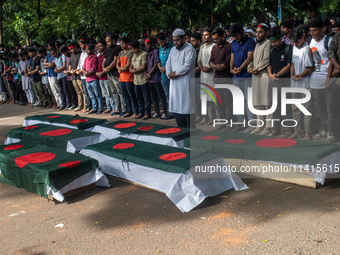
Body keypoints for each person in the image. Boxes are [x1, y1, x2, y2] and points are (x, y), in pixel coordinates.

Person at [308, 18, 335, 142]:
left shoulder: (328, 41)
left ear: (321, 29)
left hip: (326, 78)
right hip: (315, 79)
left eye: (315, 30)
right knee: (320, 107)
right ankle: (323, 129)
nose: (312, 33)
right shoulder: (310, 42)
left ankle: (331, 131)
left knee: (330, 107)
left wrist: (328, 78)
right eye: (311, 31)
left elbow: (331, 61)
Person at [166, 29, 196, 128]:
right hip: (174, 85)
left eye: (177, 40)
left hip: (186, 83)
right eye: (174, 40)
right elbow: (168, 63)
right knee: (177, 110)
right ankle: (181, 134)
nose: (175, 42)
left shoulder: (190, 49)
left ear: (183, 38)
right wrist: (169, 73)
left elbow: (187, 66)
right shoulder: (173, 50)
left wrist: (174, 74)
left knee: (188, 109)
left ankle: (192, 137)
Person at [267, 27, 294, 137]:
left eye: (275, 41)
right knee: (275, 107)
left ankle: (289, 129)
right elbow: (269, 64)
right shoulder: (272, 50)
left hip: (285, 82)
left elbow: (289, 65)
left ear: (280, 39)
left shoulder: (288, 49)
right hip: (274, 82)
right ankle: (276, 128)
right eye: (271, 42)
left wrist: (278, 75)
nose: (273, 44)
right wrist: (270, 75)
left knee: (287, 107)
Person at [230, 22, 256, 132]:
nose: (236, 38)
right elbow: (232, 57)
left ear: (242, 32)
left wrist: (240, 68)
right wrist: (231, 69)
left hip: (247, 76)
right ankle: (240, 123)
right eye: (234, 36)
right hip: (236, 76)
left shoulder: (250, 42)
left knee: (248, 100)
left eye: (237, 35)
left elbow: (249, 58)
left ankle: (252, 123)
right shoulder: (233, 43)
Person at [289, 28, 314, 141]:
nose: (295, 44)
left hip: (305, 85)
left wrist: (298, 77)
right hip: (294, 84)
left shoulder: (306, 49)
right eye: (293, 42)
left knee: (307, 109)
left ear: (302, 38)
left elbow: (310, 68)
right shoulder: (294, 47)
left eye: (297, 42)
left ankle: (308, 132)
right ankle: (297, 131)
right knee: (295, 109)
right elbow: (292, 63)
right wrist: (292, 75)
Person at [248, 23, 272, 135]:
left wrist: (255, 69)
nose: (257, 34)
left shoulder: (268, 43)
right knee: (257, 101)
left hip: (264, 74)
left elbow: (267, 59)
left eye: (260, 32)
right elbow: (252, 59)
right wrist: (249, 69)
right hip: (255, 75)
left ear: (266, 33)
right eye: (256, 32)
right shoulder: (257, 44)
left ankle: (268, 126)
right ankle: (259, 125)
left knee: (266, 101)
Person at [209, 27, 233, 130]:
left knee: (228, 102)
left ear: (223, 36)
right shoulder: (214, 47)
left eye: (217, 38)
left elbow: (227, 63)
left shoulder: (228, 47)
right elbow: (210, 62)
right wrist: (216, 67)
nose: (215, 40)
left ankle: (232, 123)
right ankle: (222, 121)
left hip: (226, 79)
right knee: (219, 102)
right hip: (217, 79)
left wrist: (217, 67)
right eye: (214, 38)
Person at [145, 38, 168, 119]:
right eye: (146, 45)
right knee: (154, 97)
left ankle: (165, 112)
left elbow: (156, 64)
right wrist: (146, 74)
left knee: (161, 96)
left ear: (152, 44)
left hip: (157, 77)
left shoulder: (155, 52)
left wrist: (149, 73)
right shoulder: (147, 53)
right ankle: (157, 112)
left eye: (148, 44)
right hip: (150, 79)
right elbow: (145, 65)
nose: (147, 46)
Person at [103, 34, 125, 116]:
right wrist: (104, 68)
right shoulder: (107, 50)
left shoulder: (117, 48)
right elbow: (104, 61)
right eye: (106, 42)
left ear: (113, 40)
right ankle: (117, 109)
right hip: (109, 74)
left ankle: (124, 109)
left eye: (108, 41)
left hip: (115, 73)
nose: (107, 43)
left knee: (120, 91)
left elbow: (115, 60)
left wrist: (108, 68)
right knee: (113, 92)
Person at [117, 36, 138, 118]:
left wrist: (120, 69)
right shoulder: (120, 52)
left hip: (129, 78)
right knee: (125, 96)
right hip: (121, 78)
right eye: (121, 43)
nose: (122, 45)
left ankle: (135, 111)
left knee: (132, 95)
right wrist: (119, 68)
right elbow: (117, 63)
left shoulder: (130, 52)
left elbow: (128, 65)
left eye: (123, 43)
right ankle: (128, 111)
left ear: (127, 43)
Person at [197, 27, 215, 125]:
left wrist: (211, 68)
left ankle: (213, 118)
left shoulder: (214, 46)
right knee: (204, 96)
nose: (204, 37)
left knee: (212, 96)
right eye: (203, 35)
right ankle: (206, 117)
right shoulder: (202, 47)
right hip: (203, 74)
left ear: (211, 36)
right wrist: (201, 68)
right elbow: (198, 60)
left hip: (212, 75)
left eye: (206, 35)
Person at [129, 40, 151, 119]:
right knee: (139, 98)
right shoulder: (133, 56)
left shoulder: (144, 54)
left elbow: (143, 66)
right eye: (132, 49)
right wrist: (132, 70)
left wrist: (134, 71)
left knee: (146, 98)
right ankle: (141, 112)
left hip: (143, 80)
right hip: (136, 81)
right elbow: (130, 66)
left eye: (135, 49)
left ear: (138, 47)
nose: (133, 50)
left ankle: (147, 113)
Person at [157, 32, 175, 120]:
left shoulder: (173, 47)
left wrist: (167, 68)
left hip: (172, 75)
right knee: (167, 95)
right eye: (159, 43)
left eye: (162, 42)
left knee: (174, 94)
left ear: (166, 40)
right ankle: (171, 112)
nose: (161, 44)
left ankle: (177, 111)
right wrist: (160, 67)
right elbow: (158, 60)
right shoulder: (160, 49)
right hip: (163, 76)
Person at [82, 44, 103, 114]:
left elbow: (93, 68)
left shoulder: (94, 57)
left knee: (97, 94)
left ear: (92, 50)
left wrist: (87, 73)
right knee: (91, 95)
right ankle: (94, 108)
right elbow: (83, 67)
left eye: (89, 50)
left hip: (93, 78)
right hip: (87, 79)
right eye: (87, 50)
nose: (87, 51)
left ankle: (100, 108)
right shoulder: (86, 58)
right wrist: (84, 71)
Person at [96, 39, 115, 114]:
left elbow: (106, 66)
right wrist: (97, 72)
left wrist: (102, 72)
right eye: (98, 46)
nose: (99, 47)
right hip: (100, 78)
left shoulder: (106, 54)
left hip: (106, 76)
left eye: (101, 46)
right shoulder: (99, 56)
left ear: (104, 46)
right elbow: (97, 66)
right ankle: (109, 107)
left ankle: (113, 107)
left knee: (110, 93)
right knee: (105, 94)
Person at [328, 30, 340, 141]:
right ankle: (337, 134)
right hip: (337, 80)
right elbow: (330, 53)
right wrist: (338, 66)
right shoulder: (336, 37)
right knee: (336, 108)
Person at [68, 42, 85, 111]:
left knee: (83, 91)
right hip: (73, 76)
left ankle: (85, 106)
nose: (71, 51)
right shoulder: (71, 55)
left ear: (75, 47)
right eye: (70, 49)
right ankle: (80, 105)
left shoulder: (80, 54)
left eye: (72, 49)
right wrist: (71, 71)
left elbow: (82, 65)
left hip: (79, 76)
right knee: (78, 92)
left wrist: (76, 70)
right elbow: (70, 66)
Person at [53, 46, 71, 110]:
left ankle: (68, 103)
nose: (53, 55)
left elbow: (64, 65)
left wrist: (58, 70)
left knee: (65, 90)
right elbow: (55, 66)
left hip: (63, 75)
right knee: (61, 91)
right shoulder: (55, 58)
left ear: (56, 51)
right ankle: (63, 104)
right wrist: (55, 69)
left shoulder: (62, 56)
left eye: (53, 53)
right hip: (59, 76)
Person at [77, 38, 92, 112]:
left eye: (82, 44)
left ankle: (91, 106)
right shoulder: (82, 53)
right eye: (80, 44)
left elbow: (87, 65)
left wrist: (83, 70)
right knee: (85, 92)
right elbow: (80, 64)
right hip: (82, 75)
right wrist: (78, 70)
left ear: (86, 44)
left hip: (88, 75)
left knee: (90, 92)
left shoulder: (88, 53)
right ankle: (88, 106)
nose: (80, 46)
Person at [190, 32, 202, 123]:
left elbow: (201, 63)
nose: (192, 43)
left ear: (199, 41)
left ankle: (204, 116)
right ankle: (198, 115)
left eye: (193, 41)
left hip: (200, 76)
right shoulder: (191, 50)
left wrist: (194, 70)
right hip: (192, 77)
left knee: (202, 97)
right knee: (195, 98)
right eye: (191, 41)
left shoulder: (201, 50)